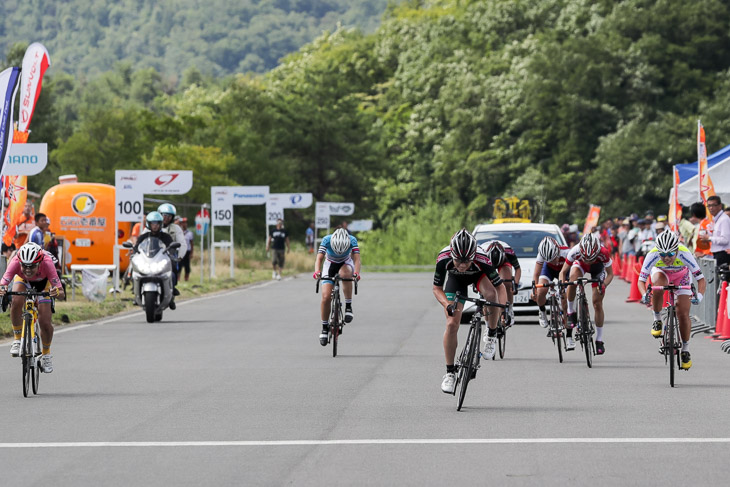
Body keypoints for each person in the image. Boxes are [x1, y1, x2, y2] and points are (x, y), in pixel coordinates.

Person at [432, 229, 505, 394]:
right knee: (451, 324)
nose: (463, 265)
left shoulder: (482, 258)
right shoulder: (443, 258)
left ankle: (491, 334)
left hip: (478, 276)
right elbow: (437, 288)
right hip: (455, 281)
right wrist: (447, 304)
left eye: (467, 261)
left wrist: (502, 307)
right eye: (458, 261)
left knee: (491, 294)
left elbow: (500, 287)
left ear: (474, 255)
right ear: (452, 254)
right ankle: (450, 373)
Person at [637, 231, 706, 370]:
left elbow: (701, 279)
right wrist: (644, 294)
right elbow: (641, 280)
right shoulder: (653, 254)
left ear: (676, 250)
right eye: (662, 255)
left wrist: (699, 296)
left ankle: (685, 350)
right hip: (661, 273)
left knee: (683, 313)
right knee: (657, 285)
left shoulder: (685, 253)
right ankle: (657, 319)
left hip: (682, 276)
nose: (666, 258)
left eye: (669, 254)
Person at [0, 242, 64, 373]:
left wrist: (56, 292)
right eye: (24, 266)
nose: (28, 270)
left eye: (32, 266)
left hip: (43, 284)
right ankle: (17, 339)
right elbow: (3, 282)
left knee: (45, 322)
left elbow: (61, 292)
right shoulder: (16, 261)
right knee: (16, 301)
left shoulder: (47, 262)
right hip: (23, 281)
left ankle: (46, 354)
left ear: (40, 263)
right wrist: (3, 289)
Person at [559, 233, 614, 356]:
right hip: (580, 266)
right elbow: (563, 272)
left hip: (597, 269)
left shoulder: (603, 252)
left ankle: (599, 340)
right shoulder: (575, 251)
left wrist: (603, 285)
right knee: (573, 278)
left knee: (597, 303)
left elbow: (610, 274)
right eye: (586, 258)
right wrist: (563, 285)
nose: (588, 261)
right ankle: (570, 311)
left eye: (591, 258)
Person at [313, 228, 361, 345]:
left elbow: (357, 259)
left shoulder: (352, 240)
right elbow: (319, 258)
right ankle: (324, 328)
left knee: (346, 274)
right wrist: (317, 271)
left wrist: (356, 274)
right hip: (330, 264)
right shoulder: (326, 240)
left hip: (345, 263)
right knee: (325, 297)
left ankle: (348, 306)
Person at [532, 236, 575, 348]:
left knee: (565, 300)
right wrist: (534, 290)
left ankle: (569, 336)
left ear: (557, 251)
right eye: (549, 260)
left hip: (565, 271)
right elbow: (536, 274)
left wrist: (566, 285)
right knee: (541, 289)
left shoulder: (566, 252)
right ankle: (542, 312)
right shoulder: (542, 255)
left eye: (554, 258)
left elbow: (574, 271)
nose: (553, 261)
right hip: (549, 271)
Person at [135, 211, 176, 308]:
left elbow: (172, 248)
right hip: (148, 261)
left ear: (160, 224)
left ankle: (172, 294)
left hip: (160, 261)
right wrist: (134, 252)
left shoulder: (166, 237)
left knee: (173, 273)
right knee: (135, 273)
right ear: (148, 224)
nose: (155, 226)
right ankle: (135, 293)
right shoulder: (143, 236)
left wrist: (171, 252)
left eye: (157, 223)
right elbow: (137, 247)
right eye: (153, 223)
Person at [480, 240, 521, 323]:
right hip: (487, 263)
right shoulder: (481, 254)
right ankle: (488, 325)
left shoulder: (509, 253)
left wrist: (515, 284)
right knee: (486, 291)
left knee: (506, 282)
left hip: (503, 263)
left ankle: (509, 309)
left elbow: (518, 269)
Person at [156, 204, 187, 296]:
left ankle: (172, 289)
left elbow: (182, 244)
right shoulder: (151, 225)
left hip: (168, 256)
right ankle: (137, 290)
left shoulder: (176, 228)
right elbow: (142, 238)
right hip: (153, 255)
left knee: (173, 271)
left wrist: (180, 257)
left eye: (169, 216)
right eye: (164, 215)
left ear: (172, 217)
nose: (166, 218)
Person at [699, 196, 730, 268]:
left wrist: (709, 238)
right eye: (709, 206)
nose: (711, 208)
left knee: (721, 278)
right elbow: (718, 236)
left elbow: (725, 240)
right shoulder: (717, 219)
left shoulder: (724, 219)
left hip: (723, 254)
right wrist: (708, 236)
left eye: (713, 205)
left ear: (720, 206)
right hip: (718, 254)